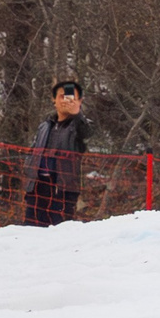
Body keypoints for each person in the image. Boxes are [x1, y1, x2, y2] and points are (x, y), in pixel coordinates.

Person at [25, 78, 91, 228]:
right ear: (53, 100)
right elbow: (33, 150)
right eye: (61, 97)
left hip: (63, 187)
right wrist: (28, 168)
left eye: (70, 98)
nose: (65, 101)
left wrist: (77, 113)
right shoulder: (44, 125)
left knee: (59, 230)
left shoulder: (78, 125)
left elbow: (86, 133)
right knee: (30, 228)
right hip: (37, 186)